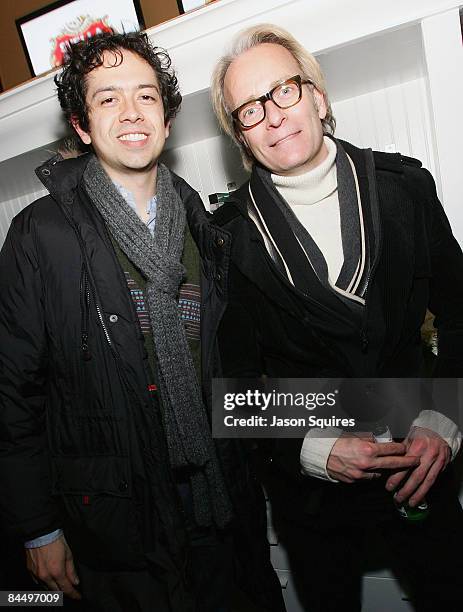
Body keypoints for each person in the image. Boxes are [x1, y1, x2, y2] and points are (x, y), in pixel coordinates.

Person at [0, 31, 284, 612]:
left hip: (219, 503)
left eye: (146, 97)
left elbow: (235, 372)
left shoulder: (204, 225)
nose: (131, 113)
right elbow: (12, 395)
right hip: (116, 523)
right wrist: (38, 529)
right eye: (108, 99)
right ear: (81, 124)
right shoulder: (39, 235)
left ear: (168, 116)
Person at [209, 24, 463, 612]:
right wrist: (310, 444)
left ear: (318, 98)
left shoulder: (406, 188)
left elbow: (461, 315)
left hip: (419, 464)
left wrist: (443, 419)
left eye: (285, 91)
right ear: (242, 137)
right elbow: (230, 386)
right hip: (312, 503)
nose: (272, 115)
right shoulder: (223, 240)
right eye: (249, 109)